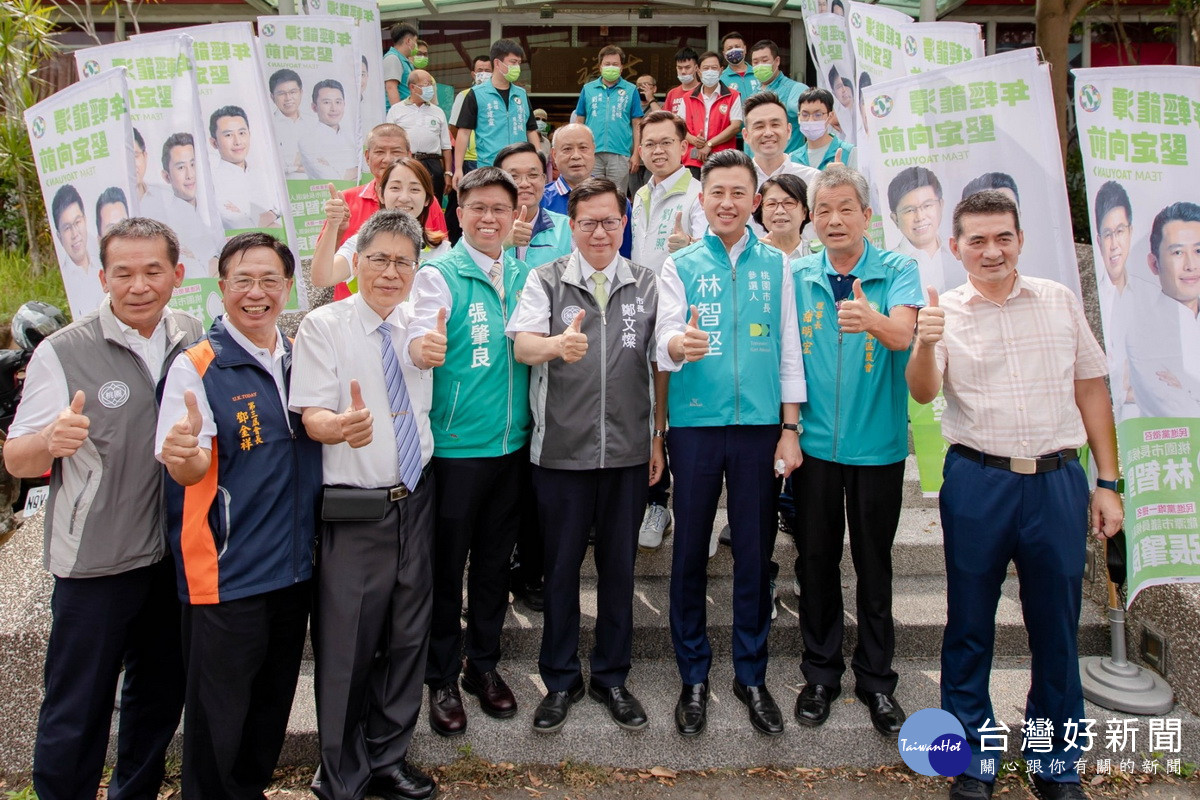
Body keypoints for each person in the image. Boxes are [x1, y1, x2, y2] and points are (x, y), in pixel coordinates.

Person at [906, 190, 1123, 800]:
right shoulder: (945, 309)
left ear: (1020, 239)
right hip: (979, 480)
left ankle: (1055, 761)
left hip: (1057, 480)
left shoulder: (1058, 301)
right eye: (977, 240)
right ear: (956, 248)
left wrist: (1107, 482)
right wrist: (924, 340)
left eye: (1002, 237)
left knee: (1056, 625)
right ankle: (969, 758)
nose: (991, 250)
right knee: (968, 623)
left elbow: (1091, 390)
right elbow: (923, 394)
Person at [5, 217, 202, 800]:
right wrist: (49, 443)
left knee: (160, 695)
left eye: (153, 271)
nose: (139, 285)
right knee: (78, 705)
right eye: (124, 273)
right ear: (103, 276)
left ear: (177, 275)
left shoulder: (190, 334)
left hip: (170, 558)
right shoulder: (64, 353)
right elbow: (16, 457)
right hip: (95, 563)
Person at [156, 232, 320, 799]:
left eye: (269, 280)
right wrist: (185, 458)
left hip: (294, 571)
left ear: (288, 287)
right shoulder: (196, 366)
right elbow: (188, 459)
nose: (257, 293)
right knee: (216, 722)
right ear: (221, 287)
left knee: (269, 711)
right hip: (227, 576)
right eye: (243, 281)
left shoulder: (302, 357)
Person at [655, 149, 805, 737]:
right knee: (689, 549)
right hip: (694, 425)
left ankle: (751, 673)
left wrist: (790, 429)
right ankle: (694, 673)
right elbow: (663, 336)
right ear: (702, 198)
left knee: (753, 549)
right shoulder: (682, 264)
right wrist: (676, 344)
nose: (727, 203)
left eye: (739, 193)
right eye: (716, 192)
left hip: (759, 429)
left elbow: (790, 349)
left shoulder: (779, 266)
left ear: (756, 200)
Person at [291, 210, 437, 800]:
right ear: (358, 262)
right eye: (379, 258)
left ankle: (388, 757)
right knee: (347, 647)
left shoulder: (419, 326)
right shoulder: (325, 325)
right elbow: (312, 414)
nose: (391, 271)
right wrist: (337, 427)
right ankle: (341, 773)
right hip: (355, 511)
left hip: (415, 502)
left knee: (408, 639)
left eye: (404, 261)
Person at [508, 177, 663, 733]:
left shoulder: (645, 283)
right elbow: (523, 343)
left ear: (624, 226)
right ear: (570, 226)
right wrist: (556, 346)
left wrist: (657, 438)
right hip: (561, 453)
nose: (600, 231)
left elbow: (656, 362)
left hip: (626, 454)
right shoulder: (545, 280)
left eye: (611, 222)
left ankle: (613, 677)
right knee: (560, 571)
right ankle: (559, 680)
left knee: (619, 570)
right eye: (589, 222)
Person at [789, 165, 921, 738]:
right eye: (824, 211)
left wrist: (873, 320)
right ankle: (819, 674)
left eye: (846, 209)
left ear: (867, 216)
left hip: (878, 447)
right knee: (815, 560)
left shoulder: (898, 270)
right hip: (814, 446)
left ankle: (876, 680)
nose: (834, 220)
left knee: (874, 563)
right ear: (811, 219)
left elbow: (906, 336)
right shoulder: (797, 274)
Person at [406, 168, 531, 738]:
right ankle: (440, 677)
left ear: (514, 216)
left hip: (514, 446)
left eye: (499, 210)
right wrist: (421, 347)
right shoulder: (438, 276)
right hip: (456, 451)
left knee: (492, 567)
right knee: (446, 566)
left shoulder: (525, 274)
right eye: (477, 208)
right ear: (459, 214)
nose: (488, 219)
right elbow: (414, 334)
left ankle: (483, 666)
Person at [322, 123, 448, 298]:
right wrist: (336, 228)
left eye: (396, 152)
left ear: (409, 156)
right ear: (367, 156)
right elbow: (324, 269)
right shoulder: (345, 201)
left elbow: (439, 255)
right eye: (380, 152)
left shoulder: (427, 202)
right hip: (354, 312)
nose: (388, 159)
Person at [1126, 201, 1200, 417]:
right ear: (1154, 264)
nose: (1191, 265)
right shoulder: (1141, 329)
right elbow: (1177, 410)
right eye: (1177, 253)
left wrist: (1186, 387)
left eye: (1198, 250)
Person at [452, 39, 539, 182]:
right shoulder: (476, 94)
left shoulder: (521, 94)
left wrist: (537, 159)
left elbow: (531, 130)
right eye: (513, 62)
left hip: (520, 168)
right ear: (498, 63)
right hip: (489, 168)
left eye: (518, 63)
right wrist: (459, 169)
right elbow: (464, 132)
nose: (517, 67)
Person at [543, 123, 634, 258]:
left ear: (593, 151)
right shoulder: (540, 201)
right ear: (554, 155)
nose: (576, 156)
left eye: (583, 148)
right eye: (567, 149)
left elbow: (625, 253)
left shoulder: (616, 200)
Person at [1090, 181, 1140, 418]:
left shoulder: (1152, 296)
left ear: (1131, 231)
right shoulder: (1083, 296)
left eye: (1120, 231)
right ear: (1098, 240)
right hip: (1104, 421)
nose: (1114, 245)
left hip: (1155, 427)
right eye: (1108, 234)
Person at [573, 45, 644, 197]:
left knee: (617, 197)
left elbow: (637, 123)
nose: (611, 67)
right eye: (607, 64)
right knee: (590, 195)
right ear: (600, 67)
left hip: (620, 153)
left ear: (621, 67)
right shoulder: (588, 89)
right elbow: (579, 121)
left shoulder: (631, 90)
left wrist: (636, 154)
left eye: (615, 64)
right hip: (592, 153)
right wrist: (578, 149)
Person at [156, 133, 224, 278]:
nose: (190, 175)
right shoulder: (166, 224)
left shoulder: (215, 204)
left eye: (193, 164)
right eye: (181, 168)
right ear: (166, 176)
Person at [887, 166, 963, 293]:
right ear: (895, 219)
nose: (920, 217)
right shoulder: (889, 265)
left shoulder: (960, 251)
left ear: (941, 205)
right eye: (910, 210)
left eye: (927, 205)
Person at [496, 142, 573, 268]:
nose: (524, 184)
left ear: (544, 179)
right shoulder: (484, 225)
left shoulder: (567, 228)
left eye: (533, 175)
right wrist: (503, 244)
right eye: (514, 176)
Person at [208, 105, 282, 230]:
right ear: (214, 143)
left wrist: (269, 215)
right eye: (228, 135)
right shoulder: (212, 183)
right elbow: (241, 225)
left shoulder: (263, 175)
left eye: (242, 133)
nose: (238, 141)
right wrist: (275, 214)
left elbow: (288, 216)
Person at [387, 69, 452, 202]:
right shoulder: (396, 110)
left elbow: (446, 146)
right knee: (407, 200)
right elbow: (389, 141)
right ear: (413, 87)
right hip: (407, 162)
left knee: (433, 203)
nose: (430, 89)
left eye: (431, 85)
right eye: (426, 84)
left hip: (433, 163)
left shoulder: (438, 112)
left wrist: (447, 173)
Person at [742, 92, 821, 194]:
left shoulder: (812, 180)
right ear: (746, 135)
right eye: (759, 126)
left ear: (788, 131)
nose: (768, 133)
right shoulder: (736, 182)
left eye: (775, 125)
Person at [680, 51, 743, 178]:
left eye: (714, 68)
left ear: (721, 70)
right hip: (693, 159)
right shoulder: (687, 98)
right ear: (698, 70)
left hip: (723, 160)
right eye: (706, 68)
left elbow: (735, 126)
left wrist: (709, 144)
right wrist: (695, 141)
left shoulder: (733, 96)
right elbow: (679, 127)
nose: (710, 71)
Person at [50, 184, 104, 318]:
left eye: (77, 222)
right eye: (67, 228)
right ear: (59, 236)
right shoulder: (64, 281)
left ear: (85, 220)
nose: (75, 234)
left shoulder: (104, 258)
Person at [748, 40, 808, 154]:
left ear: (777, 61)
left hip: (787, 164)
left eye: (765, 60)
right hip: (758, 166)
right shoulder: (753, 94)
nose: (760, 65)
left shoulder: (795, 90)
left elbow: (814, 120)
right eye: (755, 62)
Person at [299, 79, 361, 183]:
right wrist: (356, 170)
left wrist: (340, 171)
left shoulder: (354, 136)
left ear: (344, 104)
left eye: (338, 102)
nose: (334, 108)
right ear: (314, 107)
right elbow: (332, 179)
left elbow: (368, 170)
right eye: (326, 102)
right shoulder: (307, 142)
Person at [791, 88, 855, 171]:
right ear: (799, 116)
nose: (810, 120)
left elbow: (861, 184)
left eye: (818, 115)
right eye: (805, 114)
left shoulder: (849, 152)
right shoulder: (793, 158)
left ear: (830, 116)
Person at [754, 173, 812, 262]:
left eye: (789, 203)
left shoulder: (822, 255)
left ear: (804, 212)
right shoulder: (750, 257)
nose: (779, 211)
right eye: (771, 204)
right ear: (761, 213)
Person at [268, 69, 309, 180]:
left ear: (301, 92)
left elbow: (328, 158)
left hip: (317, 189)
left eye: (293, 92)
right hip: (286, 189)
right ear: (272, 97)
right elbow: (269, 164)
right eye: (281, 93)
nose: (288, 98)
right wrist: (296, 167)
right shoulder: (268, 127)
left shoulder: (314, 123)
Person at [132, 128, 172, 212]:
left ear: (145, 156)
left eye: (135, 156)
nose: (131, 164)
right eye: (125, 158)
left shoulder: (167, 196)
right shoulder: (108, 207)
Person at [383, 22, 419, 110]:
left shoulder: (404, 61)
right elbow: (391, 87)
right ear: (408, 41)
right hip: (400, 116)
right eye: (415, 41)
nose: (416, 45)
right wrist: (399, 114)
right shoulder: (392, 58)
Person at [719, 32, 758, 105]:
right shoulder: (721, 79)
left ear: (745, 49)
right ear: (724, 54)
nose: (734, 51)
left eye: (737, 47)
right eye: (729, 48)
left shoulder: (758, 73)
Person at [666, 48, 699, 117]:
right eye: (680, 68)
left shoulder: (704, 90)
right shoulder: (672, 93)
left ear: (696, 68)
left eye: (687, 67)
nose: (683, 71)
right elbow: (666, 119)